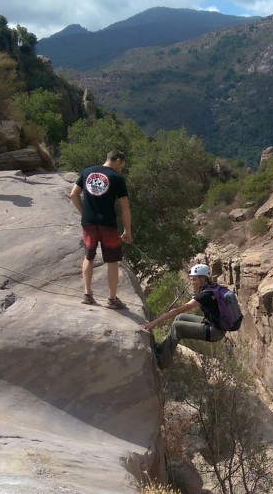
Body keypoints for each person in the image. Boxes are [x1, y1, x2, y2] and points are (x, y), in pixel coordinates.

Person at [68, 150, 132, 309]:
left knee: (88, 257)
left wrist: (84, 213)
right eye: (121, 166)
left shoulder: (87, 171)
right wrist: (127, 230)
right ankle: (112, 299)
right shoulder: (117, 178)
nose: (121, 170)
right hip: (108, 224)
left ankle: (87, 295)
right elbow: (125, 208)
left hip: (89, 223)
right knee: (112, 261)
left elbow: (73, 195)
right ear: (117, 160)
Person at [139, 264, 226, 368]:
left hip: (215, 331)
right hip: (213, 323)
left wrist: (152, 323)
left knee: (177, 326)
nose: (192, 282)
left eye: (194, 279)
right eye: (191, 279)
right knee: (180, 317)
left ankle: (163, 361)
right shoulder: (212, 287)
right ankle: (163, 348)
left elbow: (176, 310)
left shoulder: (205, 294)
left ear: (203, 278)